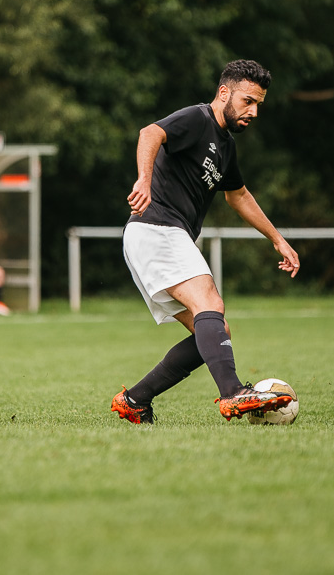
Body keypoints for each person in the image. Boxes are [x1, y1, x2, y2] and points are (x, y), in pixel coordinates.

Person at [111, 59, 299, 425]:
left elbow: (238, 195)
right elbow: (150, 133)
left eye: (258, 104)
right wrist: (144, 179)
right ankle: (232, 393)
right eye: (247, 101)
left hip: (158, 235)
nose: (254, 111)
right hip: (157, 226)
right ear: (224, 93)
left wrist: (277, 239)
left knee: (213, 332)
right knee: (210, 303)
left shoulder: (225, 146)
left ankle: (135, 399)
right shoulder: (198, 119)